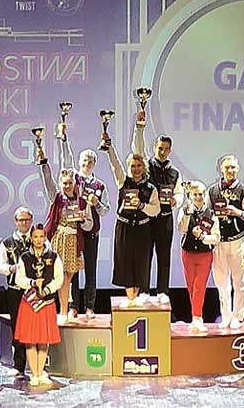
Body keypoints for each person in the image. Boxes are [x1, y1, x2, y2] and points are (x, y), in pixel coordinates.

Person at [57, 122, 111, 320]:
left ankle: (90, 306)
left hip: (92, 233)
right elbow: (66, 160)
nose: (87, 164)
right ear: (79, 162)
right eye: (84, 161)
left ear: (94, 164)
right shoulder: (74, 181)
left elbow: (106, 210)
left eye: (90, 161)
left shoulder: (100, 185)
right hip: (74, 232)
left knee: (91, 270)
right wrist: (64, 139)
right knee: (72, 270)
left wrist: (97, 203)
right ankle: (73, 306)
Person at [101, 131, 161, 306]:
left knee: (141, 262)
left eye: (139, 165)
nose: (136, 169)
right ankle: (130, 299)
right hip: (125, 228)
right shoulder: (123, 181)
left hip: (143, 229)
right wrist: (109, 147)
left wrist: (141, 205)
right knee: (125, 261)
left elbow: (156, 210)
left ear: (144, 167)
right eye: (133, 166)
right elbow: (115, 165)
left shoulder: (150, 188)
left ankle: (138, 297)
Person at [133, 110, 185, 304]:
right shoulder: (146, 167)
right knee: (144, 255)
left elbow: (180, 193)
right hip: (147, 219)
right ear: (154, 148)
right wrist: (140, 128)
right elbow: (138, 149)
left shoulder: (175, 172)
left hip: (165, 219)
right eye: (160, 148)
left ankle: (163, 290)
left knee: (164, 256)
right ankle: (144, 290)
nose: (162, 152)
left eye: (166, 149)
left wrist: (175, 201)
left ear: (170, 150)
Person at [39, 148, 95, 324]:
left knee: (69, 277)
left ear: (75, 183)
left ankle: (65, 308)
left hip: (74, 240)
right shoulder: (57, 198)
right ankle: (63, 311)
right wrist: (44, 163)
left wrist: (82, 219)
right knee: (62, 276)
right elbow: (48, 180)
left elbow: (89, 225)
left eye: (70, 183)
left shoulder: (82, 201)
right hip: (60, 239)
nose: (67, 186)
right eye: (64, 183)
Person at [205, 155, 244, 329]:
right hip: (219, 241)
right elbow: (206, 212)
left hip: (237, 240)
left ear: (238, 168)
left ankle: (238, 316)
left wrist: (237, 212)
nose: (230, 170)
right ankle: (226, 316)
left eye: (233, 167)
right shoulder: (212, 191)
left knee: (239, 281)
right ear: (221, 169)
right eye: (227, 167)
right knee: (221, 282)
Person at [14, 223, 64, 386]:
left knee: (43, 339)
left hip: (47, 303)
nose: (38, 239)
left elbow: (59, 278)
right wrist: (32, 283)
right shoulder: (25, 257)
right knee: (30, 340)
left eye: (41, 236)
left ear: (45, 237)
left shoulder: (53, 256)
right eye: (35, 237)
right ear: (31, 238)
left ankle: (40, 372)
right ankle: (34, 374)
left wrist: (47, 289)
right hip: (30, 303)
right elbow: (18, 279)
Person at [0, 207, 34, 377]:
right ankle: (19, 365)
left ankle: (38, 366)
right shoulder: (7, 243)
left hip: (35, 292)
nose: (24, 223)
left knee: (36, 327)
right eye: (21, 220)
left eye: (26, 220)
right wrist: (11, 268)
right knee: (18, 327)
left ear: (31, 220)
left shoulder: (39, 238)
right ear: (15, 221)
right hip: (15, 291)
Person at [176, 180, 219, 333]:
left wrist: (202, 237)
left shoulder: (211, 214)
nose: (198, 197)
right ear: (190, 195)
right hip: (188, 253)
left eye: (201, 194)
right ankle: (196, 318)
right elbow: (181, 229)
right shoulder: (184, 210)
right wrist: (187, 215)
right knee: (191, 287)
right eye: (195, 194)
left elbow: (216, 237)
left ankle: (197, 318)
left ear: (204, 194)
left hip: (205, 255)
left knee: (199, 286)